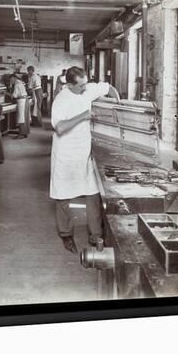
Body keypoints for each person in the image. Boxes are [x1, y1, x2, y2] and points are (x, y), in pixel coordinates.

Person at [50, 66, 120, 253]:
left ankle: (96, 235)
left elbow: (108, 88)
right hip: (66, 153)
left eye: (85, 83)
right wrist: (83, 116)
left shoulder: (87, 88)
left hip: (85, 151)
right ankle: (66, 234)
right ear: (70, 84)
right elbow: (60, 128)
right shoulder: (61, 100)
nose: (85, 88)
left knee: (93, 194)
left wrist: (118, 104)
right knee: (63, 196)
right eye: (81, 86)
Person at [8, 74, 29, 138]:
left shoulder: (17, 84)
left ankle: (21, 134)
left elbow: (14, 96)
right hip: (25, 99)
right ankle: (24, 133)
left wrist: (6, 93)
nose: (11, 81)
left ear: (14, 78)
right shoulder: (20, 82)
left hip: (21, 101)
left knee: (21, 118)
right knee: (24, 117)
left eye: (11, 80)